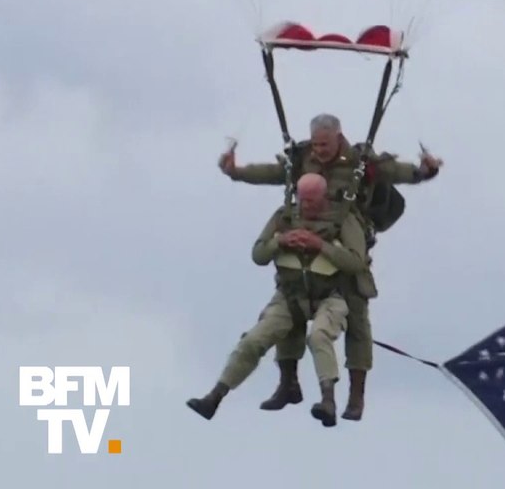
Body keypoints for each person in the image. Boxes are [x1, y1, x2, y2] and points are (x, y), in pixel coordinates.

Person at [218, 113, 443, 421]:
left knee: (358, 321)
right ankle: (288, 383)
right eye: (316, 143)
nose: (319, 150)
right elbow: (274, 173)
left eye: (324, 144)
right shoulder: (302, 159)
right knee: (291, 304)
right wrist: (236, 172)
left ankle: (356, 396)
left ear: (339, 136)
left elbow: (396, 172)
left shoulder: (360, 162)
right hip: (308, 239)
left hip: (346, 240)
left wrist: (423, 172)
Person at [186, 173, 369, 427]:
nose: (306, 207)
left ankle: (329, 400)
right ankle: (215, 396)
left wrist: (320, 245)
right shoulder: (284, 217)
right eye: (302, 200)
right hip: (289, 296)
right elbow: (258, 254)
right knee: (253, 340)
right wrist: (280, 241)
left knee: (319, 336)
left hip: (330, 296)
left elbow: (355, 263)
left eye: (312, 201)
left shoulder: (344, 220)